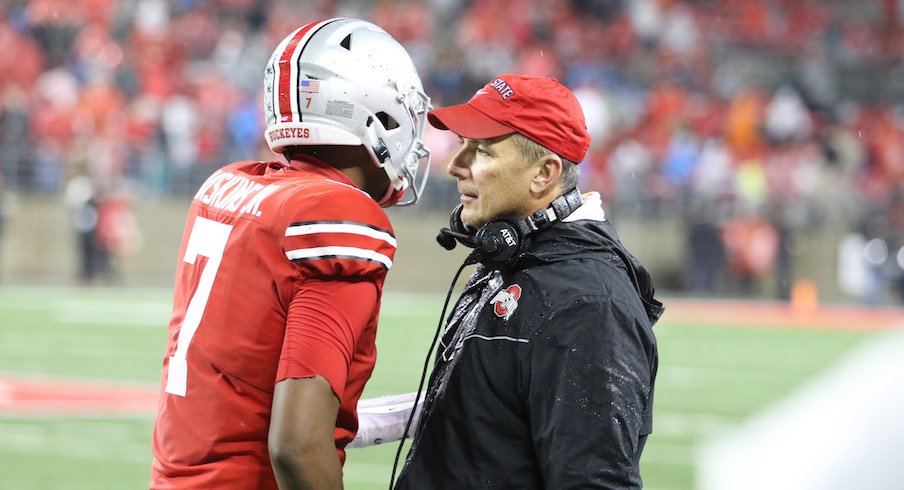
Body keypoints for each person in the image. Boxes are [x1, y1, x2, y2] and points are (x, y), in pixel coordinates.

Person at [150, 18, 431, 489]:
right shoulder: (337, 214)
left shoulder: (231, 185)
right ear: (374, 116)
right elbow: (297, 445)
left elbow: (249, 383)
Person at [394, 74, 664, 489]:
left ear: (544, 173)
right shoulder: (516, 257)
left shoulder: (587, 304)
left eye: (481, 151)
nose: (454, 165)